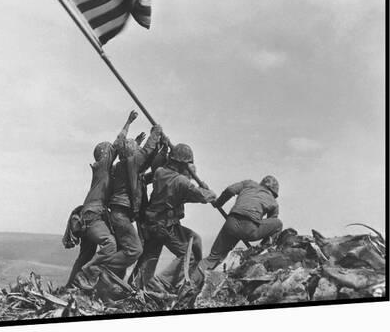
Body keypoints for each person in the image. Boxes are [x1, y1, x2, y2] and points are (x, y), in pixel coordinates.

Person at [133, 143, 217, 292]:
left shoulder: (160, 172)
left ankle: (136, 285)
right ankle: (162, 283)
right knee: (188, 255)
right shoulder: (181, 182)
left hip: (152, 223)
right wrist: (207, 189)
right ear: (183, 164)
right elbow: (204, 197)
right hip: (164, 226)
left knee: (193, 240)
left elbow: (179, 194)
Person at [69, 110, 138, 290]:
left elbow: (123, 155)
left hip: (90, 215)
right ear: (104, 154)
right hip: (93, 216)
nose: (112, 152)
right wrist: (128, 122)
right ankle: (86, 274)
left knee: (86, 254)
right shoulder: (102, 167)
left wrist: (135, 144)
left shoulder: (104, 170)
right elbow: (117, 144)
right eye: (109, 151)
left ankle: (70, 288)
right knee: (110, 244)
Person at [191, 175, 283, 288]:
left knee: (212, 258)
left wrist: (218, 203)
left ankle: (190, 285)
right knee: (278, 223)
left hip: (231, 223)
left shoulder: (248, 183)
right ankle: (262, 250)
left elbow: (230, 190)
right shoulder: (273, 202)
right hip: (250, 229)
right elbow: (271, 223)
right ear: (274, 192)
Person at [105, 122, 164, 278]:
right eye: (136, 150)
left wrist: (160, 150)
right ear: (132, 153)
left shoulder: (121, 167)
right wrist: (156, 132)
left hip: (118, 214)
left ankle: (113, 284)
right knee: (134, 250)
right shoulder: (131, 163)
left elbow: (144, 176)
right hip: (121, 215)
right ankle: (98, 268)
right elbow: (146, 151)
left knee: (124, 251)